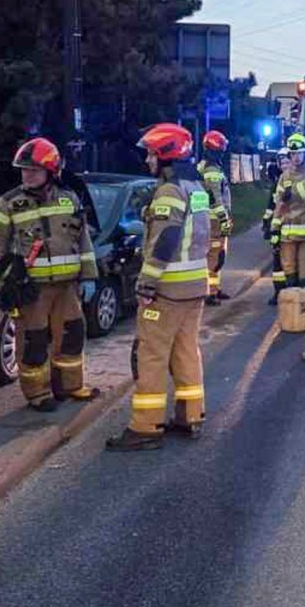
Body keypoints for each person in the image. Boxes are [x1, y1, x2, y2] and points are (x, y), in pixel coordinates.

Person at [107, 123, 211, 451]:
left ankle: (145, 426)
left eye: (152, 153)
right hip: (194, 285)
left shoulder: (169, 191)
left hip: (168, 289)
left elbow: (165, 239)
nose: (148, 160)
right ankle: (190, 416)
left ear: (165, 154)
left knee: (151, 354)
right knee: (186, 351)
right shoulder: (196, 185)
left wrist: (147, 282)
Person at [0, 138, 100, 412]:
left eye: (33, 171)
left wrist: (89, 276)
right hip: (32, 288)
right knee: (33, 341)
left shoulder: (69, 198)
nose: (27, 175)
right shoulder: (9, 203)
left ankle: (70, 386)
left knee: (73, 335)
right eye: (24, 170)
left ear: (50, 172)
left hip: (68, 287)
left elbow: (83, 240)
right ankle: (37, 393)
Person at [272, 132, 305, 292]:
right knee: (290, 279)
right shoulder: (284, 176)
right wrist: (274, 229)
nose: (295, 157)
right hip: (287, 237)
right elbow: (279, 205)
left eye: (299, 153)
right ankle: (291, 315)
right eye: (293, 153)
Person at [197, 130, 235, 304]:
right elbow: (216, 200)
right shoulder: (211, 171)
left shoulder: (203, 167)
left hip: (207, 219)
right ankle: (210, 293)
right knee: (214, 256)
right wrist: (224, 220)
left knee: (218, 255)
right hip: (214, 221)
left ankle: (215, 288)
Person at [263, 148, 290, 305]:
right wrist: (267, 223)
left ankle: (292, 291)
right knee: (277, 261)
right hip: (278, 227)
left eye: (287, 161)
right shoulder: (276, 184)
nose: (285, 165)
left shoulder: (296, 180)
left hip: (293, 227)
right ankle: (278, 291)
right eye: (282, 162)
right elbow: (271, 206)